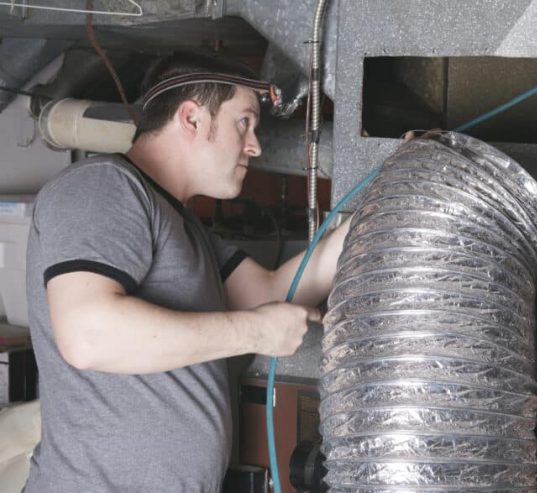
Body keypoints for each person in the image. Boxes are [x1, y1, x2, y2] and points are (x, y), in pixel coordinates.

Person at [24, 52, 348, 491]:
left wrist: (369, 219)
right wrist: (253, 333)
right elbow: (88, 335)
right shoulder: (104, 185)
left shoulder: (185, 227)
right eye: (244, 122)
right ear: (192, 119)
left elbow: (273, 295)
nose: (255, 145)